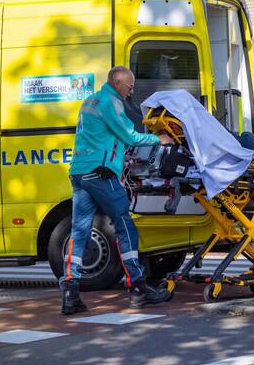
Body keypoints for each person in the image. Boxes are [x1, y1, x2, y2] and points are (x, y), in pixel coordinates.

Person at [60, 66, 175, 314]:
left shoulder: (90, 100)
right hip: (101, 174)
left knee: (79, 231)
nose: (131, 91)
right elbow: (130, 137)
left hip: (79, 173)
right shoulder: (111, 102)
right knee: (125, 226)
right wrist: (160, 140)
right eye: (129, 86)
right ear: (117, 82)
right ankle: (138, 288)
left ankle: (70, 291)